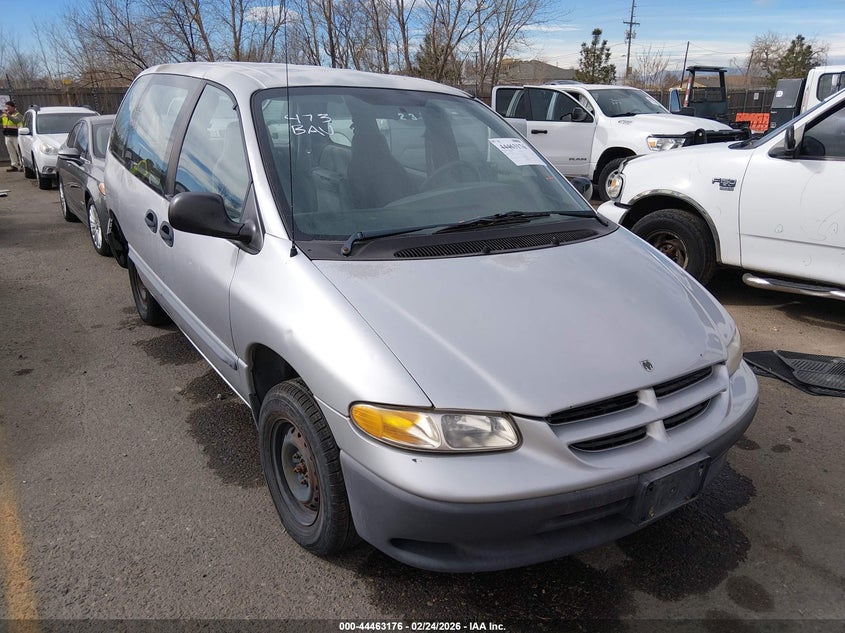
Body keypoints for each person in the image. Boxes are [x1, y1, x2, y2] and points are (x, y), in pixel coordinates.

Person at [2, 101, 24, 172]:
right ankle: (14, 165)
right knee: (11, 151)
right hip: (7, 135)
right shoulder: (5, 115)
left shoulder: (18, 115)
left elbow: (16, 121)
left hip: (16, 136)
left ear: (13, 107)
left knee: (19, 151)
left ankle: (22, 165)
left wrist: (8, 115)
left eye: (9, 107)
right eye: (6, 107)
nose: (7, 109)